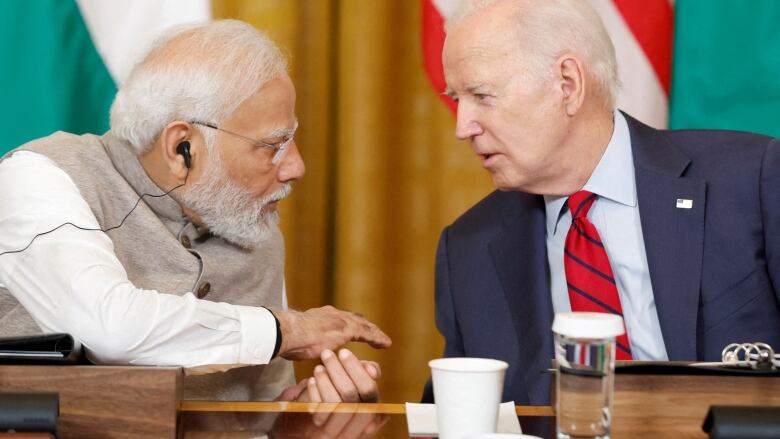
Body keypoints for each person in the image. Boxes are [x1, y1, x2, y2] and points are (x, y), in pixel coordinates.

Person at [0, 20, 390, 403]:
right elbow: (108, 328)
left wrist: (303, 418)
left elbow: (261, 413)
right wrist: (286, 328)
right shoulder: (39, 176)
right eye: (273, 145)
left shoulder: (251, 220)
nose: (296, 168)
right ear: (181, 147)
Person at [424, 0, 780, 405]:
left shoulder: (749, 181)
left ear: (568, 84)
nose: (462, 127)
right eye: (457, 99)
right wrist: (352, 404)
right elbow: (457, 414)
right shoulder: (469, 249)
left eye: (482, 96)